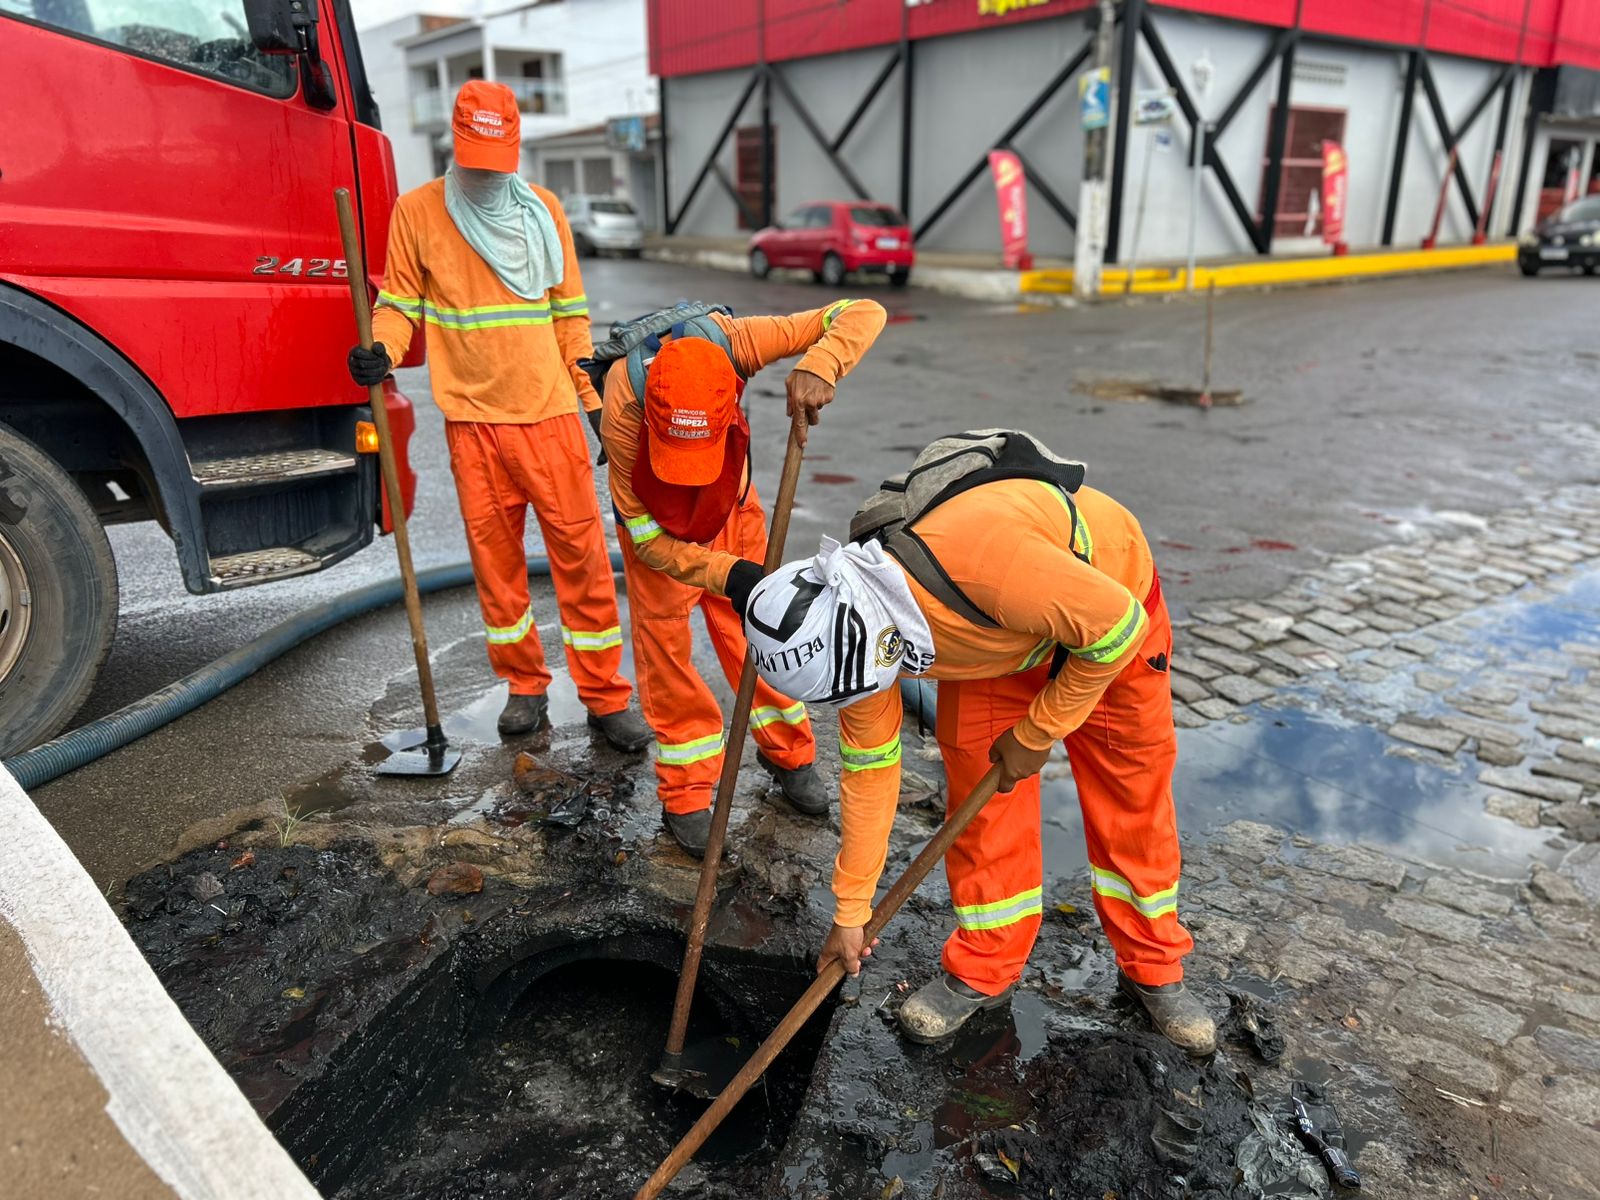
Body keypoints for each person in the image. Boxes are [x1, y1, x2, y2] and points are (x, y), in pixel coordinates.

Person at [735, 434, 1215, 1054]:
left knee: (1133, 794)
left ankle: (1154, 968)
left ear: (872, 640)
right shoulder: (850, 645)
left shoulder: (988, 560)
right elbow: (871, 777)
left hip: (1108, 605)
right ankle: (983, 966)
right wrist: (850, 912)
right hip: (994, 646)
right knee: (980, 805)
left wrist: (1040, 731)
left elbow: (1114, 626)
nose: (864, 703)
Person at [348, 81, 649, 751]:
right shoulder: (419, 213)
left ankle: (604, 695)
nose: (488, 170)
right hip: (473, 425)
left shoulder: (542, 211)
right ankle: (525, 686)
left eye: (499, 155)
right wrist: (381, 349)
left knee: (582, 562)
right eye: (476, 155)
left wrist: (593, 404)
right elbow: (398, 303)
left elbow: (570, 315)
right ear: (458, 145)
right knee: (497, 566)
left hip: (547, 418)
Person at [597, 299, 886, 855]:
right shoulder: (623, 403)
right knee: (667, 653)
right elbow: (646, 540)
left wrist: (822, 362)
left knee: (765, 632)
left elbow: (860, 311)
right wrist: (722, 572)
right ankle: (685, 793)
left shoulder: (741, 343)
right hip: (659, 526)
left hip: (732, 509)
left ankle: (789, 754)